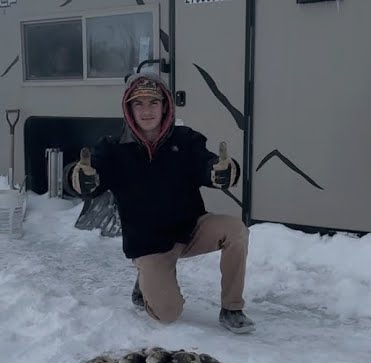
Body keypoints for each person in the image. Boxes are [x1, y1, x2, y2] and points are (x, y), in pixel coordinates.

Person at [67, 71, 256, 334]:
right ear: (129, 109)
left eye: (153, 102)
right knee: (167, 314)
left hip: (191, 230)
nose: (147, 111)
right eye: (138, 104)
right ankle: (145, 282)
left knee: (236, 230)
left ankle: (232, 308)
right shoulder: (112, 149)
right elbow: (91, 177)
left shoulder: (186, 140)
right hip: (149, 244)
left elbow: (208, 165)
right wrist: (78, 178)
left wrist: (223, 171)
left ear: (165, 105)